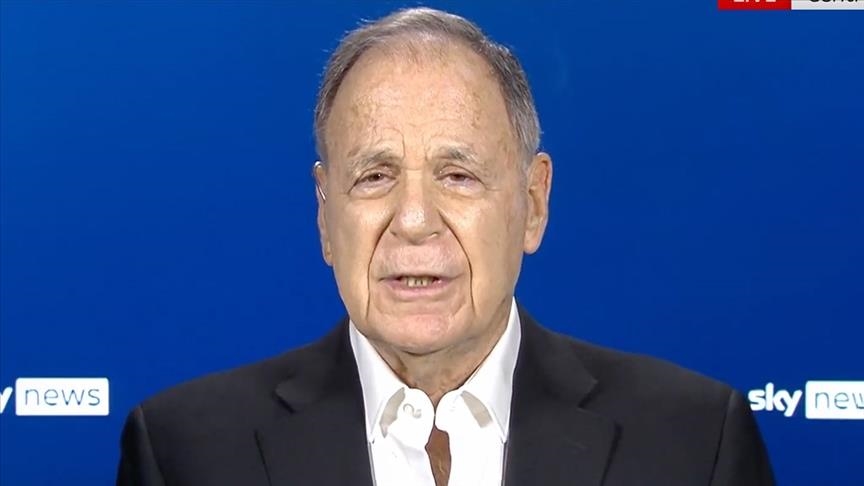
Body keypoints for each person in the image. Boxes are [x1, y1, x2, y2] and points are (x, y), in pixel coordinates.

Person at [116, 7, 774, 486]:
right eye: (375, 176)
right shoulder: (185, 452)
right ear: (325, 215)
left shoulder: (695, 443)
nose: (413, 220)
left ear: (533, 204)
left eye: (458, 176)